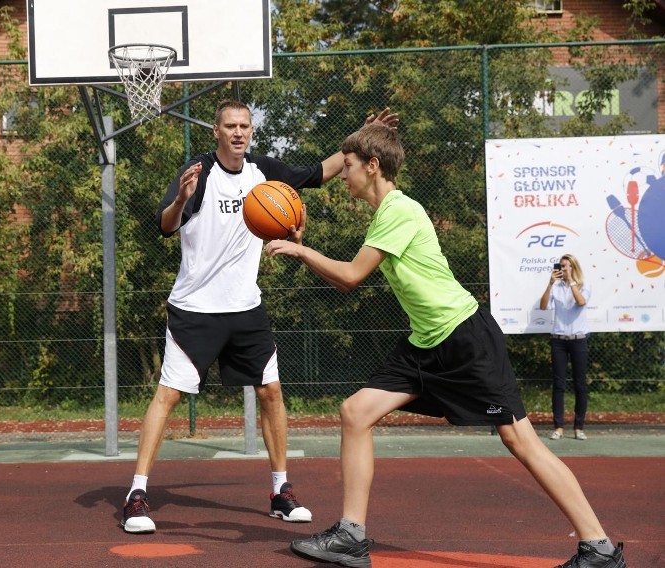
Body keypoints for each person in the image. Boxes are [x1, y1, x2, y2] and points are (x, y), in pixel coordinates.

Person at [264, 125, 626, 568]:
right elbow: (347, 279)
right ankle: (351, 536)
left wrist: (302, 252)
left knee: (521, 441)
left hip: (464, 338)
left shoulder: (399, 210)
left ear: (373, 166)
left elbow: (351, 277)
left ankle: (599, 548)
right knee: (356, 411)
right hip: (426, 341)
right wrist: (308, 251)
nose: (343, 175)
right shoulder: (385, 214)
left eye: (350, 166)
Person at [120, 100, 400, 534]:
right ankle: (136, 494)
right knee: (168, 396)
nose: (238, 133)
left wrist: (360, 140)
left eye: (244, 126)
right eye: (230, 126)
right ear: (216, 131)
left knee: (271, 391)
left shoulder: (261, 172)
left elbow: (316, 173)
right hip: (196, 309)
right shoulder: (198, 173)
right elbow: (164, 225)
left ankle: (280, 491)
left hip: (246, 307)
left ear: (252, 131)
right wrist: (180, 200)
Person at [540, 254, 591, 441]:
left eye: (568, 266)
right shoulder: (556, 287)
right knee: (559, 385)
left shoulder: (584, 285)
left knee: (580, 384)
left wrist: (571, 283)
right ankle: (559, 427)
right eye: (562, 266)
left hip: (578, 339)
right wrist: (550, 284)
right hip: (558, 340)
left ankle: (579, 427)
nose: (565, 269)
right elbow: (543, 306)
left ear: (574, 267)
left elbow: (581, 302)